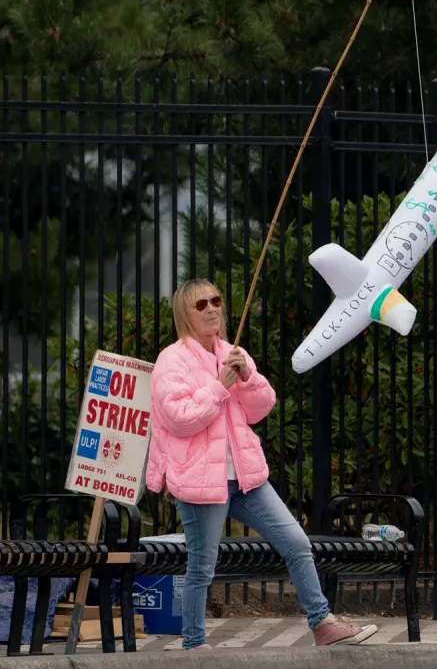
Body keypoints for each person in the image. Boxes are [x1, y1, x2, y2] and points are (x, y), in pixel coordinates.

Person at [146, 278, 378, 650]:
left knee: (297, 543)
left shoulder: (233, 352)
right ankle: (194, 645)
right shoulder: (171, 360)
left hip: (246, 477)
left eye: (215, 300)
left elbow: (260, 409)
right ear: (184, 315)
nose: (211, 309)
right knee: (202, 567)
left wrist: (247, 377)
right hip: (201, 482)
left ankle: (323, 624)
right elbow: (180, 418)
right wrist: (220, 386)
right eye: (200, 305)